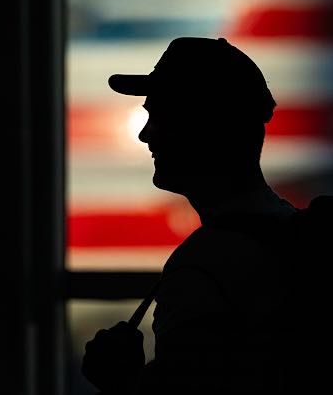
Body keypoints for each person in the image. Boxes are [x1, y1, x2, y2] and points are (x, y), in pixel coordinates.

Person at [81, 37, 298, 394]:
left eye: (162, 117)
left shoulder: (204, 268)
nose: (145, 134)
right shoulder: (291, 231)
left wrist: (120, 382)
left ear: (205, 130)